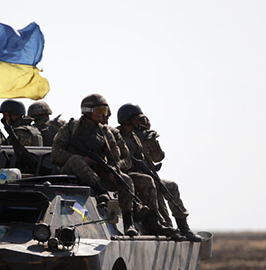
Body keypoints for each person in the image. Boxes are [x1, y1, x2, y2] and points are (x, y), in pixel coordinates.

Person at [51, 94, 146, 236]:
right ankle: (101, 191)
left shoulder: (105, 133)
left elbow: (118, 157)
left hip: (98, 172)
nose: (103, 115)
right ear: (87, 111)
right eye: (99, 111)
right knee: (76, 160)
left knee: (125, 179)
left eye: (105, 111)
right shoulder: (71, 128)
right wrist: (82, 158)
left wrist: (114, 170)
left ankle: (128, 223)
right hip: (71, 173)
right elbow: (56, 152)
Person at [117, 103, 201, 242]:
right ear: (127, 120)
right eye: (137, 120)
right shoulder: (116, 136)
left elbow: (158, 157)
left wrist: (151, 141)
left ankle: (183, 226)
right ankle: (161, 224)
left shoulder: (137, 137)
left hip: (147, 175)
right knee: (152, 186)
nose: (141, 123)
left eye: (142, 120)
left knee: (171, 186)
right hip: (130, 177)